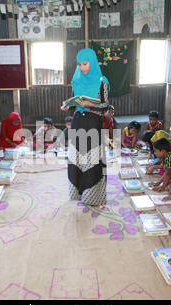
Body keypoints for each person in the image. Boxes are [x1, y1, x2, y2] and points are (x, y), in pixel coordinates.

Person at [60, 48, 110, 207]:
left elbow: (105, 105)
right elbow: (75, 102)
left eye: (85, 64)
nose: (82, 67)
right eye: (80, 64)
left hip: (93, 123)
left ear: (92, 62)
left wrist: (89, 103)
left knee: (92, 160)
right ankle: (78, 193)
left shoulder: (102, 81)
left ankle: (93, 197)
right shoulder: (77, 79)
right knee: (77, 159)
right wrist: (68, 105)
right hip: (78, 123)